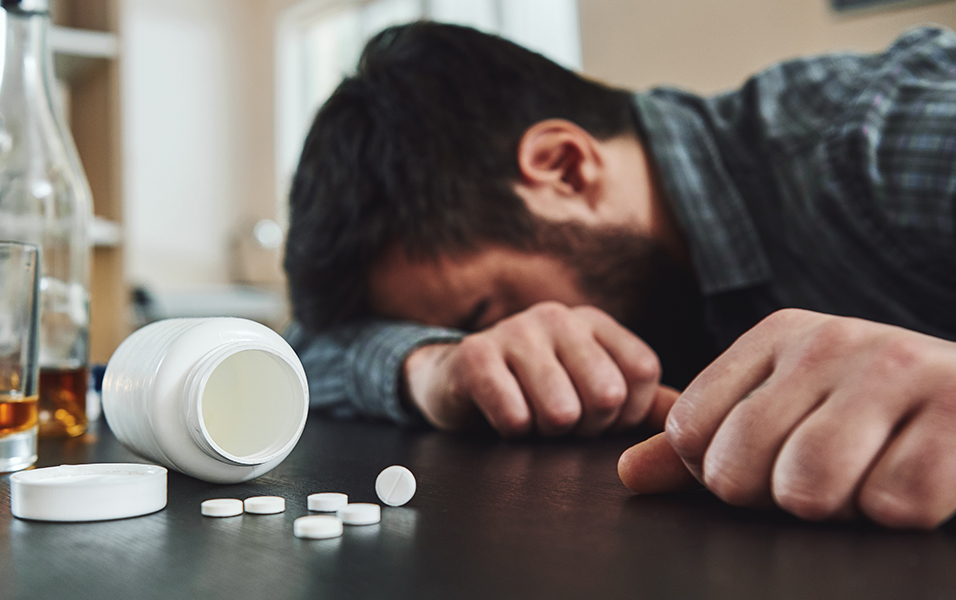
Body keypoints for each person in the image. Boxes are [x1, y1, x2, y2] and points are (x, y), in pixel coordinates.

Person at [283, 21, 956, 529]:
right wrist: (430, 364)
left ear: (566, 168)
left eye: (486, 316)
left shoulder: (887, 138)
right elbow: (304, 351)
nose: (510, 340)